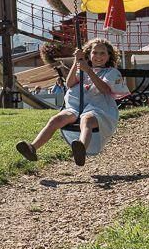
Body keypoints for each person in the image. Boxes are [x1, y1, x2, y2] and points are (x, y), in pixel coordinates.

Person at [15, 38, 128, 166]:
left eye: (102, 53)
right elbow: (69, 83)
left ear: (109, 56)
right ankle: (32, 148)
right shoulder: (83, 69)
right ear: (89, 55)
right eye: (95, 52)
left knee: (87, 120)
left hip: (100, 109)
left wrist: (88, 70)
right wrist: (76, 61)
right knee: (55, 120)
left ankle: (81, 149)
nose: (98, 56)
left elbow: (104, 89)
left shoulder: (111, 72)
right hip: (76, 107)